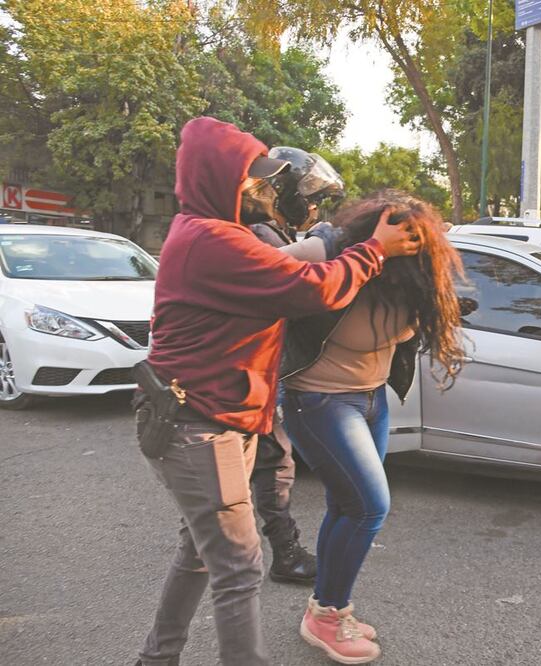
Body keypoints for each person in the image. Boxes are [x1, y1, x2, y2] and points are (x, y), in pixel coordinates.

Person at [135, 117, 419, 666]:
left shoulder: (221, 235)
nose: (267, 191)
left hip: (221, 418)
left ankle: (157, 657)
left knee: (200, 553)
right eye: (255, 181)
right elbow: (315, 290)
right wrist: (376, 248)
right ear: (222, 183)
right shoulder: (210, 241)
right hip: (198, 424)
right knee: (240, 566)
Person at [280, 190, 465, 664]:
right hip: (318, 400)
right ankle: (328, 616)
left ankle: (325, 607)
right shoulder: (331, 251)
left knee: (345, 504)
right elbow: (257, 273)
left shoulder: (415, 275)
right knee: (369, 507)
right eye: (404, 240)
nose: (414, 249)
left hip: (371, 400)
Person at [246, 147, 348, 585]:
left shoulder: (277, 232)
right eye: (307, 195)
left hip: (264, 370)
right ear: (279, 191)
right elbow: (307, 291)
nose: (312, 206)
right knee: (272, 465)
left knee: (269, 464)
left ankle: (243, 543)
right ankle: (284, 554)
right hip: (251, 372)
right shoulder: (259, 234)